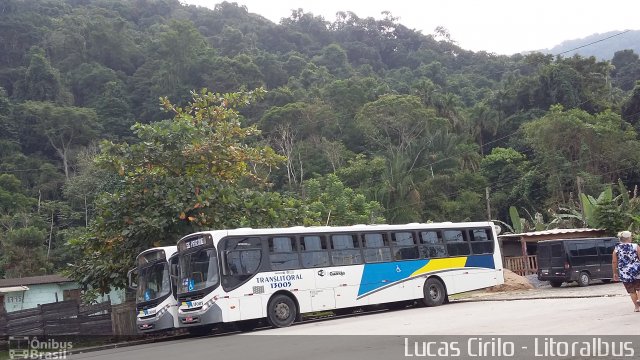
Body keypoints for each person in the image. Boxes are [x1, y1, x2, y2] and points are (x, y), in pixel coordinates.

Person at [612, 230, 640, 312]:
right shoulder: (635, 246)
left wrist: (615, 273)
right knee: (639, 287)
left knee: (631, 290)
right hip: (637, 270)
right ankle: (639, 299)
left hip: (625, 273)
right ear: (628, 238)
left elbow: (614, 261)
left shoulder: (616, 248)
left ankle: (637, 307)